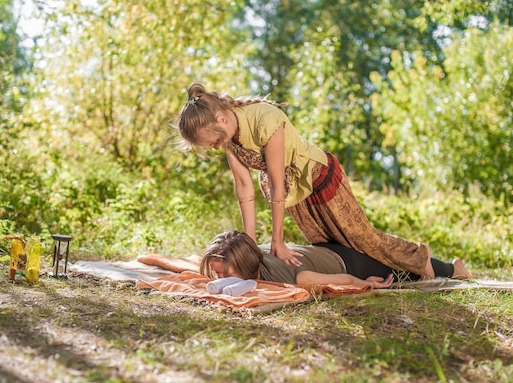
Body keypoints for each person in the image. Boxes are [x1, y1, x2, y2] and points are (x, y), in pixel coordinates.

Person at [175, 83, 436, 279]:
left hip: (319, 178)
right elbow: (244, 189)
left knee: (360, 238)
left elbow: (277, 183)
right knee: (329, 247)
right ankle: (404, 274)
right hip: (294, 191)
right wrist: (249, 244)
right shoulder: (229, 135)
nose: (217, 148)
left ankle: (420, 258)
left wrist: (277, 241)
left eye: (215, 142)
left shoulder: (265, 119)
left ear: (221, 120)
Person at [199, 231, 471, 289]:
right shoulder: (249, 255)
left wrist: (366, 285)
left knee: (404, 273)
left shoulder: (284, 275)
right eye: (217, 273)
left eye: (225, 272)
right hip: (324, 251)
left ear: (245, 265)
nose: (221, 279)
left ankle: (454, 268)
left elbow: (338, 281)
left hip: (349, 264)